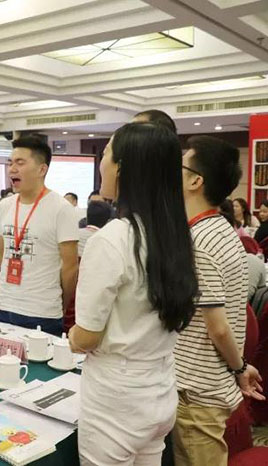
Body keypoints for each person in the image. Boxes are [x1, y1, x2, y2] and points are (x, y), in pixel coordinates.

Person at [69, 122, 197, 465]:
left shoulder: (111, 240)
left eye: (106, 153)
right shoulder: (176, 236)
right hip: (159, 387)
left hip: (117, 398)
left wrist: (73, 337)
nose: (102, 163)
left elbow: (87, 336)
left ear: (122, 168)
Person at [173, 135, 264, 466]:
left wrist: (238, 367)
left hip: (198, 392)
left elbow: (219, 328)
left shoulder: (199, 241)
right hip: (209, 382)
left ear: (195, 181)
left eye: (180, 166)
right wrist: (239, 367)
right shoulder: (221, 229)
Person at [0, 137, 79, 334]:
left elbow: (70, 267)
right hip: (3, 305)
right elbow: (1, 254)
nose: (12, 169)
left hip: (42, 311)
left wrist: (61, 304)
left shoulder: (61, 208)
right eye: (10, 163)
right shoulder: (5, 205)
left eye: (20, 163)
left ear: (41, 169)